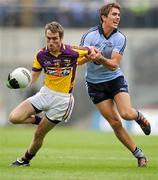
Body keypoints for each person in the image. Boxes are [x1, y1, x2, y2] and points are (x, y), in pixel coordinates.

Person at [7, 21, 95, 167]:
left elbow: (90, 51)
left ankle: (25, 160)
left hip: (62, 100)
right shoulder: (41, 55)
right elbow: (32, 78)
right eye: (48, 38)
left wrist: (91, 55)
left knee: (39, 134)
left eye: (54, 38)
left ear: (61, 38)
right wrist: (19, 82)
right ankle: (39, 121)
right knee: (14, 118)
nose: (51, 42)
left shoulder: (72, 51)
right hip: (45, 94)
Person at [80, 2, 151, 167]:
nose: (117, 17)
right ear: (103, 17)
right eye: (114, 14)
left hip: (114, 80)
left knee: (126, 114)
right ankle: (139, 155)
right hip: (95, 85)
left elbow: (113, 64)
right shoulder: (89, 36)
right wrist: (88, 56)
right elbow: (79, 61)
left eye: (118, 15)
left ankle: (139, 117)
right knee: (115, 123)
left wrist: (100, 58)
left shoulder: (120, 38)